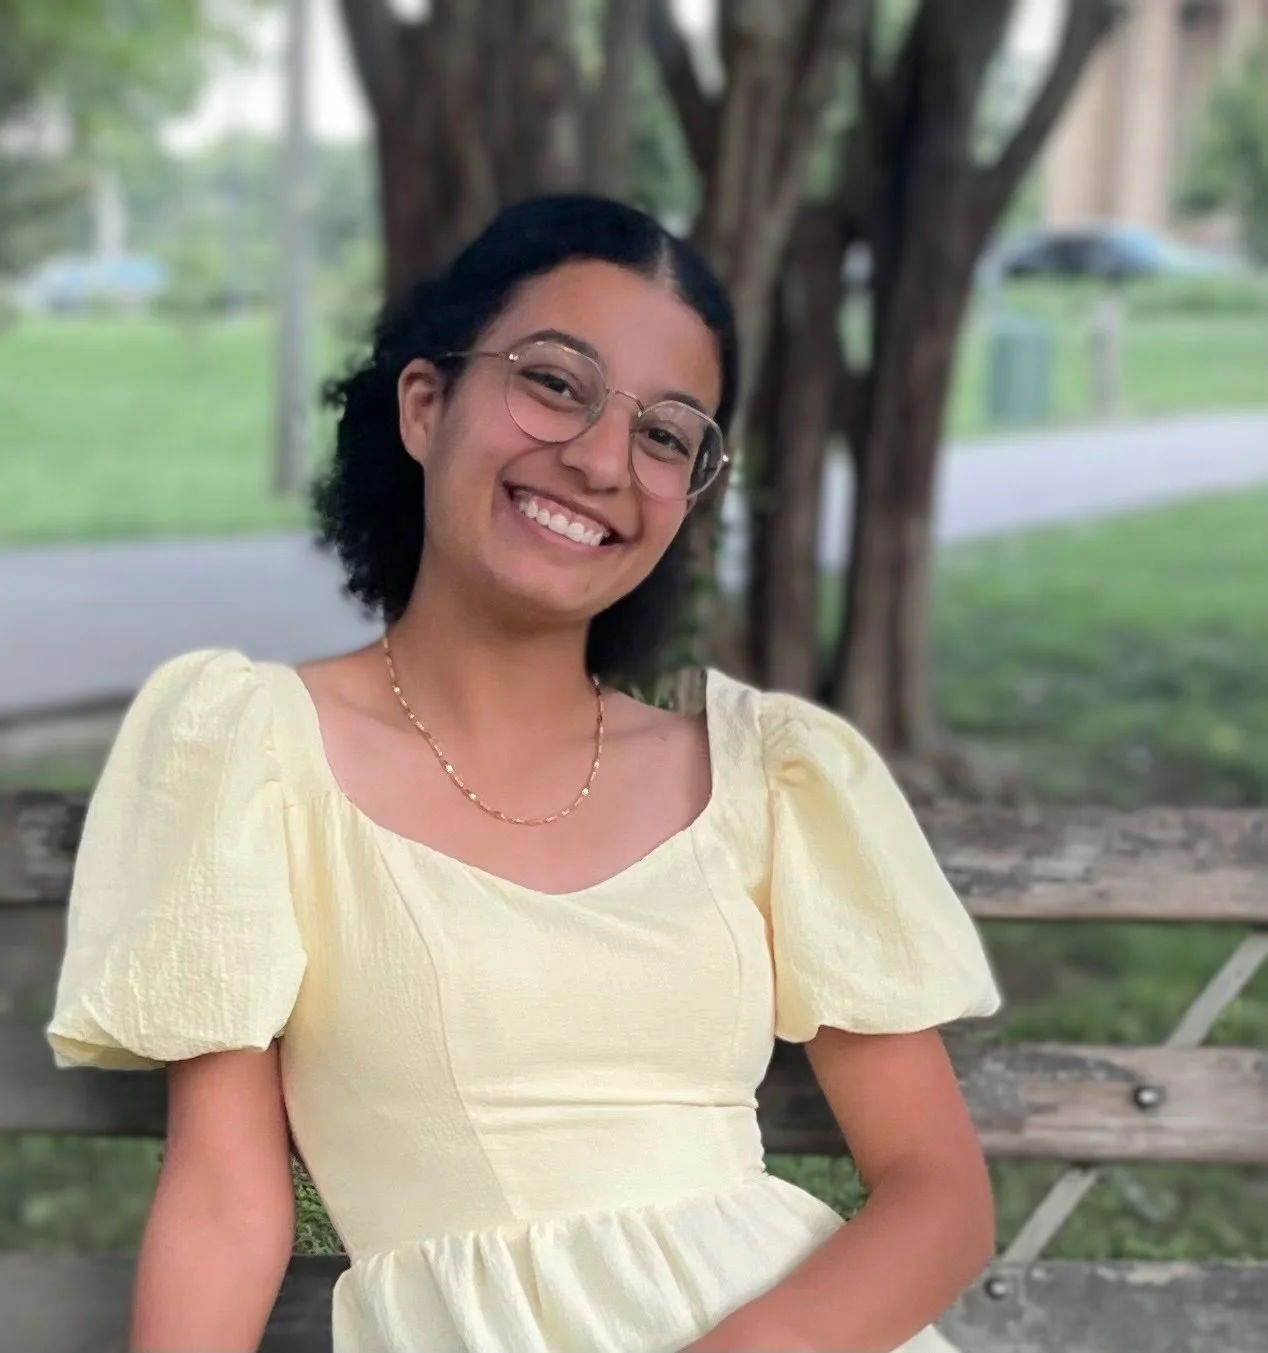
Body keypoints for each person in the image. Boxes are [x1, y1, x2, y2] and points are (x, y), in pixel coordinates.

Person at [47, 194, 1002, 1353]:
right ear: (423, 404)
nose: (601, 459)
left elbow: (936, 1194)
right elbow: (222, 1205)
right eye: (553, 382)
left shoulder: (769, 775)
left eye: (666, 436)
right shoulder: (250, 751)